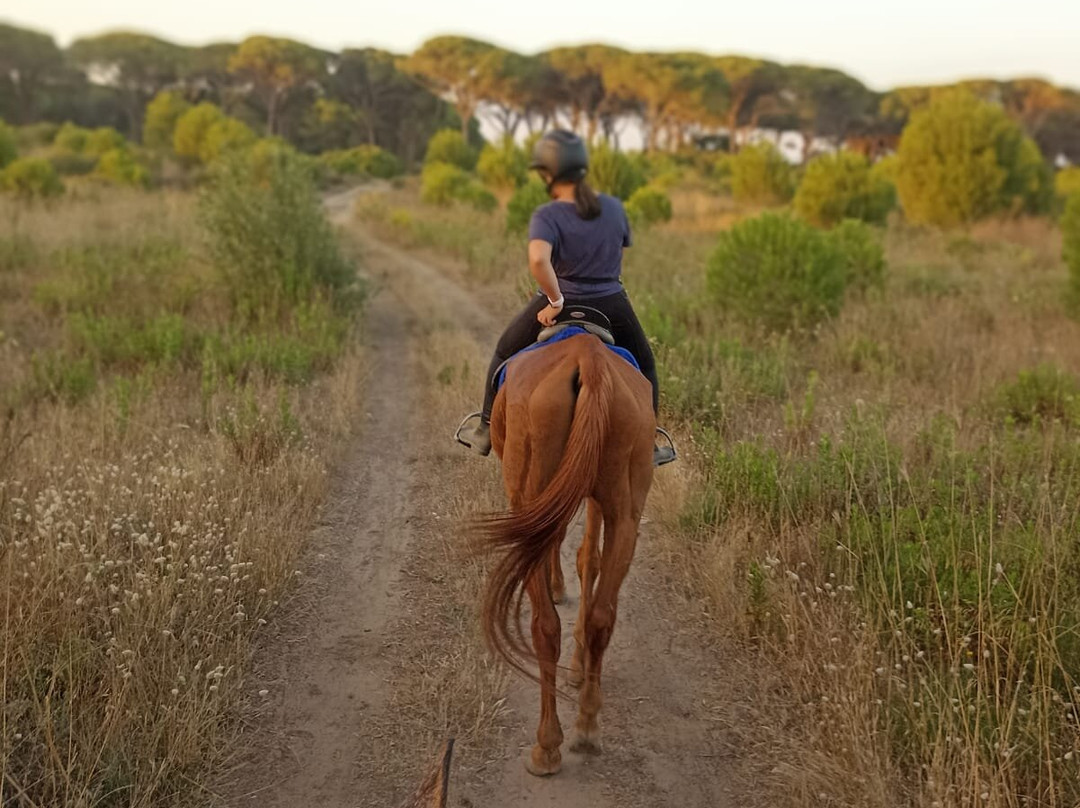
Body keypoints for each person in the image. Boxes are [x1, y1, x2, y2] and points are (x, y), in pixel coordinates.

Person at [456, 130, 676, 467]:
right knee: (644, 364)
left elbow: (538, 260)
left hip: (560, 301)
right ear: (582, 168)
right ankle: (649, 441)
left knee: (504, 350)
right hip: (611, 301)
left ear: (547, 173)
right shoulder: (614, 208)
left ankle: (485, 427)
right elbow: (619, 254)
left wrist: (556, 301)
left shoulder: (547, 215)